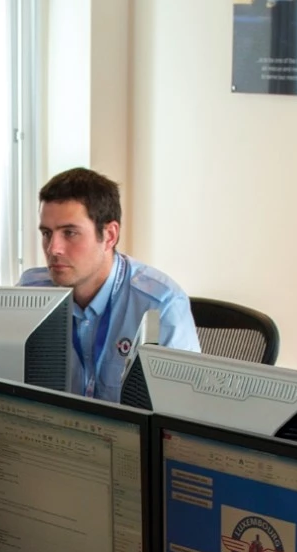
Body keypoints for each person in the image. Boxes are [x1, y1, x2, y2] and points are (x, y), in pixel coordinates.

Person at [19, 167, 198, 403]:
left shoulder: (161, 304)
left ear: (110, 235)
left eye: (70, 233)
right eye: (46, 234)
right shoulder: (30, 293)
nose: (53, 249)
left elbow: (182, 411)